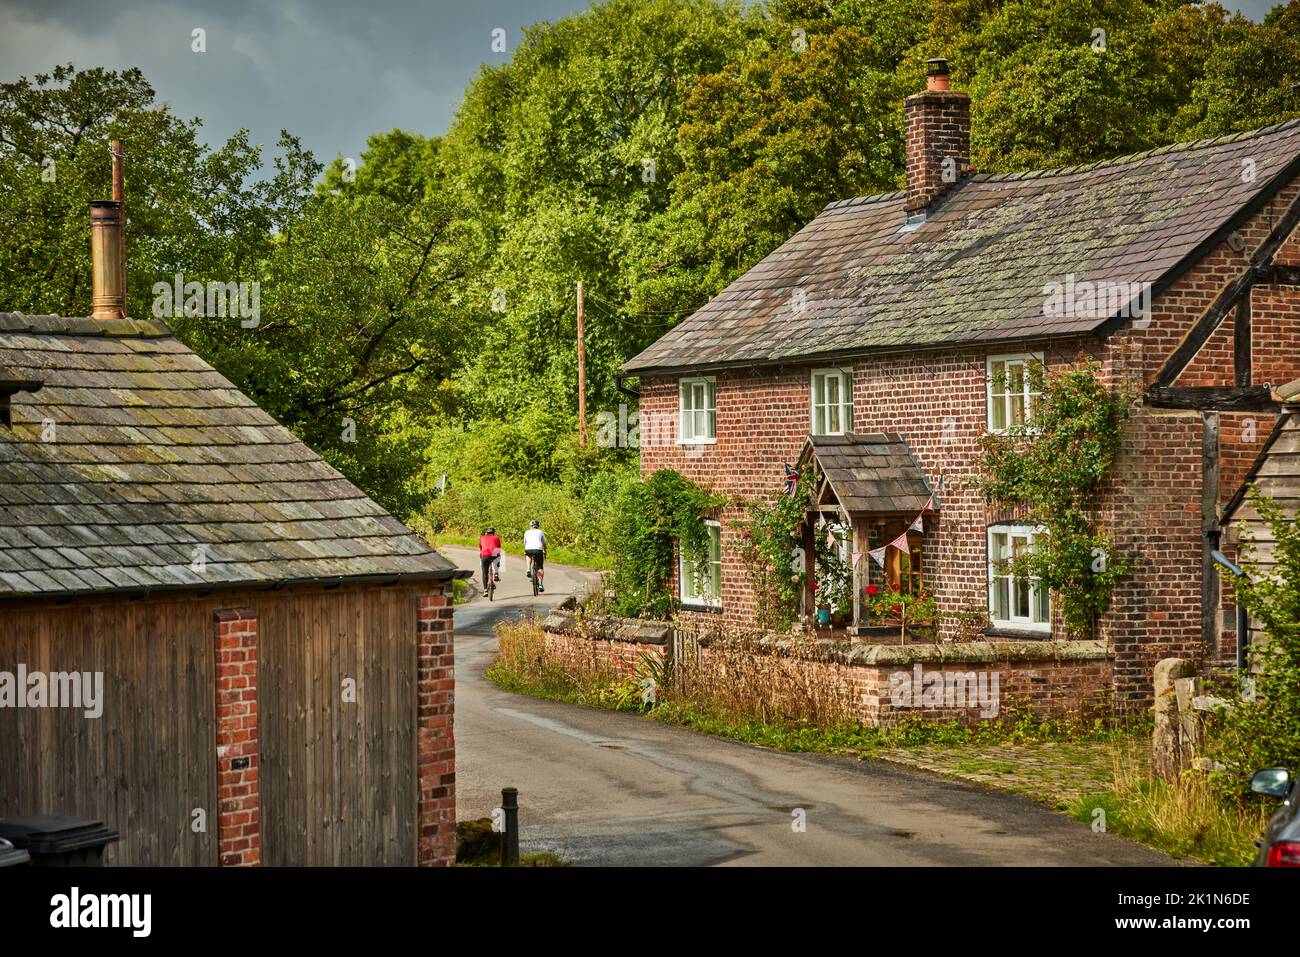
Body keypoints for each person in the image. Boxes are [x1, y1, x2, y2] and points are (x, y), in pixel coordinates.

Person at [523, 519, 547, 592]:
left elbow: (525, 542)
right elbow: (544, 543)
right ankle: (540, 584)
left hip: (528, 549)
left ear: (530, 526)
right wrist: (545, 551)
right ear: (538, 526)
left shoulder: (526, 532)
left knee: (528, 555)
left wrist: (526, 550)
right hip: (538, 550)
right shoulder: (541, 532)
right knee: (540, 568)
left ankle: (528, 569)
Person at [478, 527, 502, 593]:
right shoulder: (496, 537)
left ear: (486, 533)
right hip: (494, 553)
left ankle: (485, 590)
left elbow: (480, 547)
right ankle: (496, 573)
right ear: (493, 533)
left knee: (484, 572)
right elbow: (499, 547)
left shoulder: (482, 538)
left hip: (485, 554)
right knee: (498, 557)